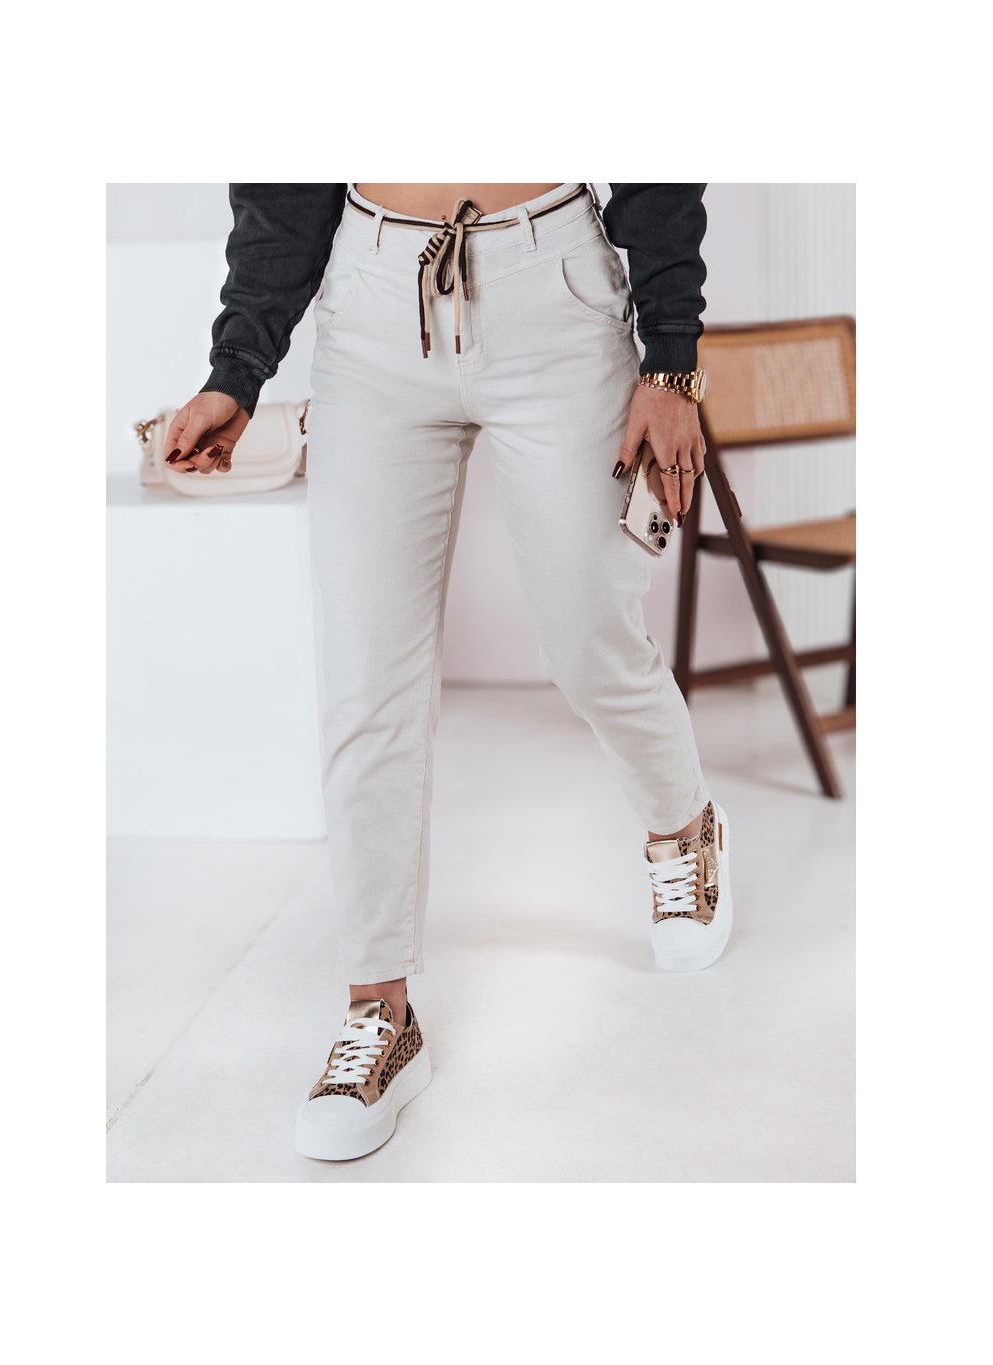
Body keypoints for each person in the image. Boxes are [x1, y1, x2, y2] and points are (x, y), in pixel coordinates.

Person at [166, 183, 733, 1162]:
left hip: (552, 293)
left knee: (588, 637)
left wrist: (671, 361)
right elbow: (284, 173)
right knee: (365, 678)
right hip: (374, 307)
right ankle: (379, 1012)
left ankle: (685, 826)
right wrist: (238, 366)